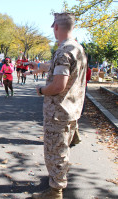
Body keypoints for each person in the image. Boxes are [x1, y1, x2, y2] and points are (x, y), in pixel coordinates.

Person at [26, 13, 87, 199]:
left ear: (56, 27)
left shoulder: (63, 51)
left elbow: (58, 85)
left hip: (58, 113)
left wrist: (41, 90)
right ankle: (58, 180)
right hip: (71, 110)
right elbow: (59, 67)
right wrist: (39, 66)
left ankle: (55, 191)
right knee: (61, 149)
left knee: (55, 153)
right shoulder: (77, 48)